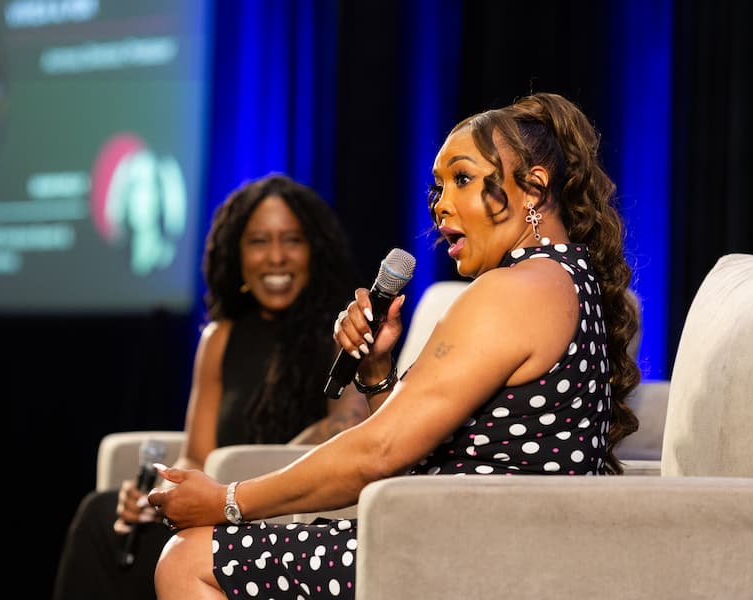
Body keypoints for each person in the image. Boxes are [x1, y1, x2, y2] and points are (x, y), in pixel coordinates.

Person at [147, 92, 642, 599]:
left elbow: (379, 453)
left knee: (190, 558)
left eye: (463, 179)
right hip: (476, 542)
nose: (440, 204)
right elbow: (417, 452)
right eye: (437, 187)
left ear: (533, 188)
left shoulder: (515, 290)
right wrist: (376, 369)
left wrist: (228, 500)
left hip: (470, 556)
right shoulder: (563, 278)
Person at [51, 174, 369, 600]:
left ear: (315, 251)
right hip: (208, 509)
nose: (276, 257)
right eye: (259, 241)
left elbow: (351, 428)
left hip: (272, 514)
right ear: (237, 255)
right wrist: (160, 494)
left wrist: (243, 481)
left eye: (292, 240)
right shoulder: (219, 337)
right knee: (105, 515)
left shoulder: (340, 330)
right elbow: (196, 453)